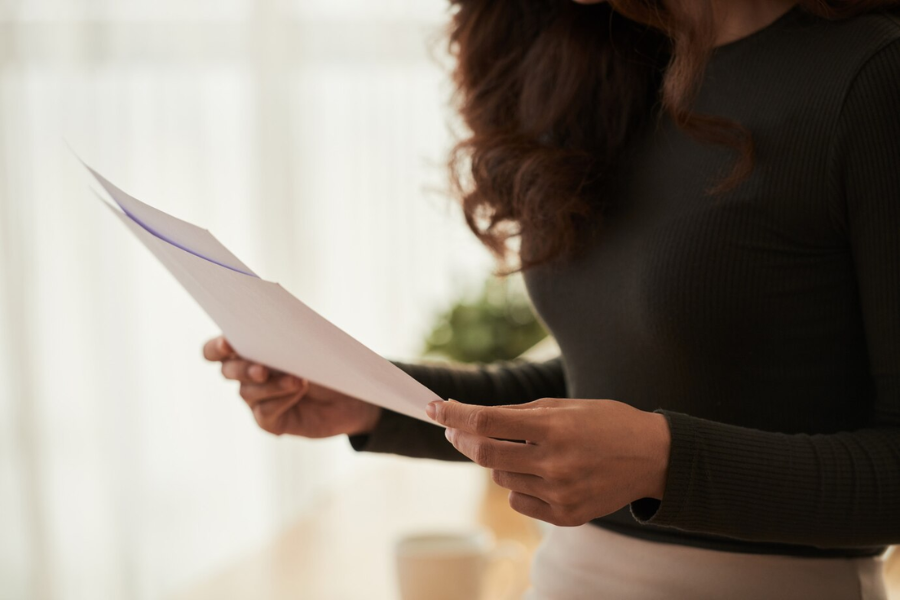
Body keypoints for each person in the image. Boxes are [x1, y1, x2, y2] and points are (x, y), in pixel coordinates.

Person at [203, 0, 900, 597]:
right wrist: (379, 400)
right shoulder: (606, 70)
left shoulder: (871, 81)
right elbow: (603, 382)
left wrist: (663, 461)